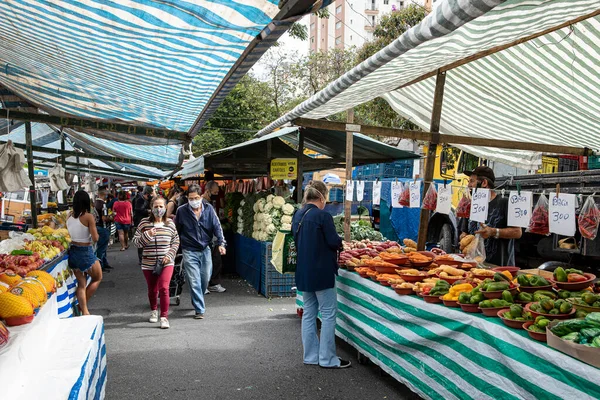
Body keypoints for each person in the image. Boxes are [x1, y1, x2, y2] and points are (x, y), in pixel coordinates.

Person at [292, 181, 350, 369]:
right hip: (322, 272)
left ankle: (310, 356)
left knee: (309, 313)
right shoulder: (323, 216)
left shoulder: (298, 214)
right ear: (322, 197)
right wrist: (341, 244)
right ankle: (327, 359)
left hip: (304, 272)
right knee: (327, 314)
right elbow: (333, 241)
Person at [174, 184, 226, 319]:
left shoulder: (209, 209)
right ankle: (199, 309)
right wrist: (173, 247)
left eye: (196, 198)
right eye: (191, 198)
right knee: (194, 280)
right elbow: (176, 230)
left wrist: (221, 243)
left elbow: (217, 226)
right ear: (187, 198)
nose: (194, 201)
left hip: (205, 249)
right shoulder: (181, 211)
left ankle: (197, 299)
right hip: (189, 249)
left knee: (205, 278)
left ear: (201, 196)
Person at [459, 166, 522, 266]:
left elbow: (517, 232)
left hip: (499, 268)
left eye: (472, 181)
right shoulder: (471, 204)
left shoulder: (504, 202)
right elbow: (464, 232)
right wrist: (463, 238)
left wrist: (493, 232)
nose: (468, 185)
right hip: (473, 266)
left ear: (484, 183)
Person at [133, 196, 180, 329]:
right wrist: (147, 235)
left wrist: (170, 255)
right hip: (148, 263)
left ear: (165, 208)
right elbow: (136, 242)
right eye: (155, 206)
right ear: (151, 208)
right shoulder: (144, 223)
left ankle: (164, 317)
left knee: (164, 288)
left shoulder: (170, 223)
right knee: (152, 290)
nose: (158, 209)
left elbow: (176, 241)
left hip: (166, 262)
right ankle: (154, 310)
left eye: (161, 207)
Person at [66, 190, 103, 315]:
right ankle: (82, 307)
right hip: (85, 251)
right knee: (97, 278)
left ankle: (85, 311)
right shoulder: (88, 216)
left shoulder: (69, 216)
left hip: (73, 252)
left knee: (81, 284)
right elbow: (95, 238)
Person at [202, 181, 226, 293]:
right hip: (207, 238)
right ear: (208, 191)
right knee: (210, 261)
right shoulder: (203, 203)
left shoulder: (209, 203)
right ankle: (208, 284)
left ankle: (210, 284)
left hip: (213, 237)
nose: (217, 193)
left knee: (215, 260)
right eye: (215, 192)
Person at [134, 186, 154, 264]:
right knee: (142, 239)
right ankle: (141, 258)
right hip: (140, 222)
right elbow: (139, 209)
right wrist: (148, 211)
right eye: (150, 194)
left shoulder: (146, 199)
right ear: (147, 193)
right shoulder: (140, 200)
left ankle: (145, 256)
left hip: (146, 221)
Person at [94, 189, 112, 272]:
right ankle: (100, 266)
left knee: (101, 247)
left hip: (96, 227)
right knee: (102, 248)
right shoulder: (103, 204)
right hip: (103, 227)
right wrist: (111, 217)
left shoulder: (95, 203)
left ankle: (104, 263)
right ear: (104, 195)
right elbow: (104, 218)